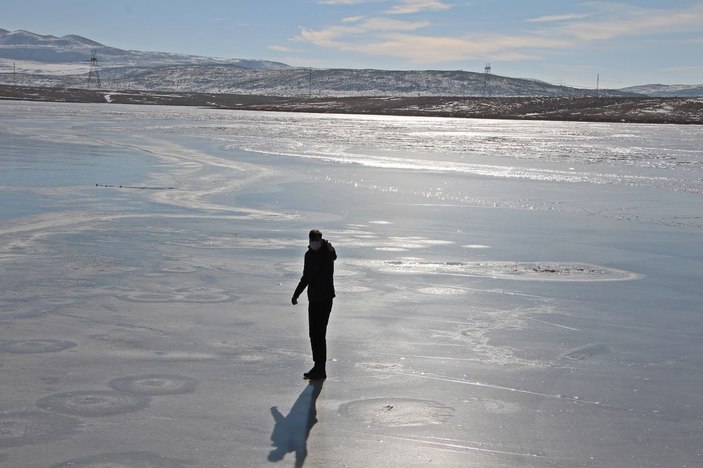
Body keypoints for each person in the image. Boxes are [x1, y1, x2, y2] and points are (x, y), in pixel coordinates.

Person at [292, 229, 336, 380]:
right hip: (314, 299)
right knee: (313, 334)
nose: (315, 243)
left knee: (320, 334)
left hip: (325, 299)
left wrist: (331, 250)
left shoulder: (327, 252)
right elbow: (306, 277)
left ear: (321, 240)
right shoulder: (308, 255)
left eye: (318, 240)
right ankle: (317, 366)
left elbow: (333, 257)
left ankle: (321, 369)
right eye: (313, 240)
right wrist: (296, 294)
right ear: (309, 241)